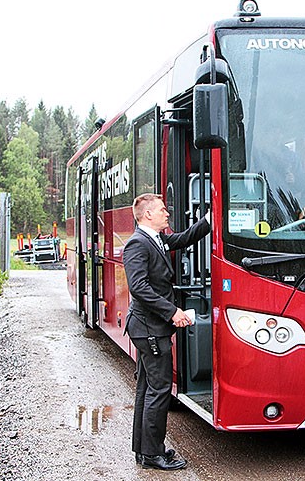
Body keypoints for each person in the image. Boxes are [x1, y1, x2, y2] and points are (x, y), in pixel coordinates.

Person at [123, 193, 211, 471]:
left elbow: (184, 238)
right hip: (149, 329)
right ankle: (153, 454)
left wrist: (210, 218)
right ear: (147, 215)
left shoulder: (155, 238)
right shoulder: (137, 244)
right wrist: (172, 312)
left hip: (149, 327)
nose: (167, 214)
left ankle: (143, 451)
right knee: (159, 391)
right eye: (162, 210)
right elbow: (139, 288)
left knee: (147, 389)